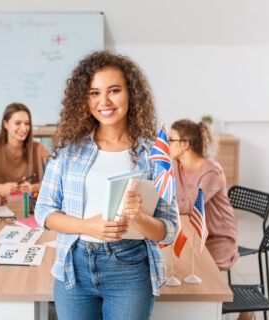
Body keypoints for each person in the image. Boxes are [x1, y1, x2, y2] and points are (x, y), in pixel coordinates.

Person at [35, 51, 179, 320]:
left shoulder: (154, 155)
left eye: (114, 90)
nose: (104, 101)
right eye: (94, 93)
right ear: (84, 98)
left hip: (129, 269)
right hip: (74, 268)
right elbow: (43, 212)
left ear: (131, 94)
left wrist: (140, 217)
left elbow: (169, 231)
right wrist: (87, 226)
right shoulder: (69, 151)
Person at [169, 119, 239, 272]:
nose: (167, 144)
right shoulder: (176, 165)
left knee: (185, 269)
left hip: (217, 238)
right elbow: (165, 193)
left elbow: (190, 206)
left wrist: (163, 203)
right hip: (192, 231)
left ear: (185, 144)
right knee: (167, 261)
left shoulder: (211, 171)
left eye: (171, 140)